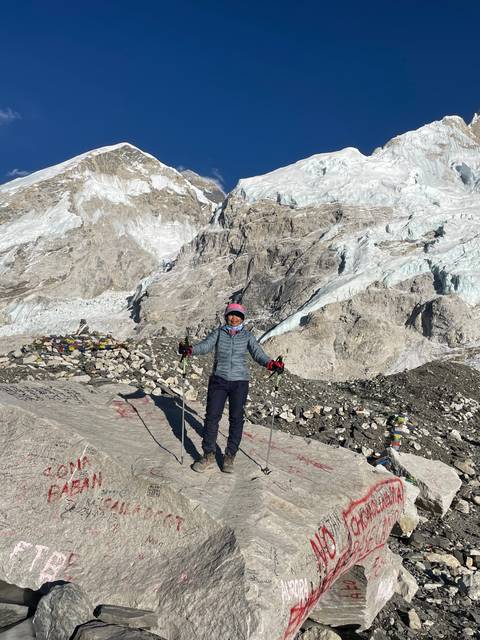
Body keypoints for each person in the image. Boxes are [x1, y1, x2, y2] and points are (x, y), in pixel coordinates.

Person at [178, 303, 284, 473]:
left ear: (242, 318)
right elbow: (205, 346)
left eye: (237, 316)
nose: (233, 319)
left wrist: (271, 364)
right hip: (218, 380)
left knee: (236, 419)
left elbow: (258, 354)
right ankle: (208, 455)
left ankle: (229, 456)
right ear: (226, 316)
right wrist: (190, 350)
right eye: (230, 315)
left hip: (240, 382)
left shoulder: (247, 336)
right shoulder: (219, 333)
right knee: (212, 417)